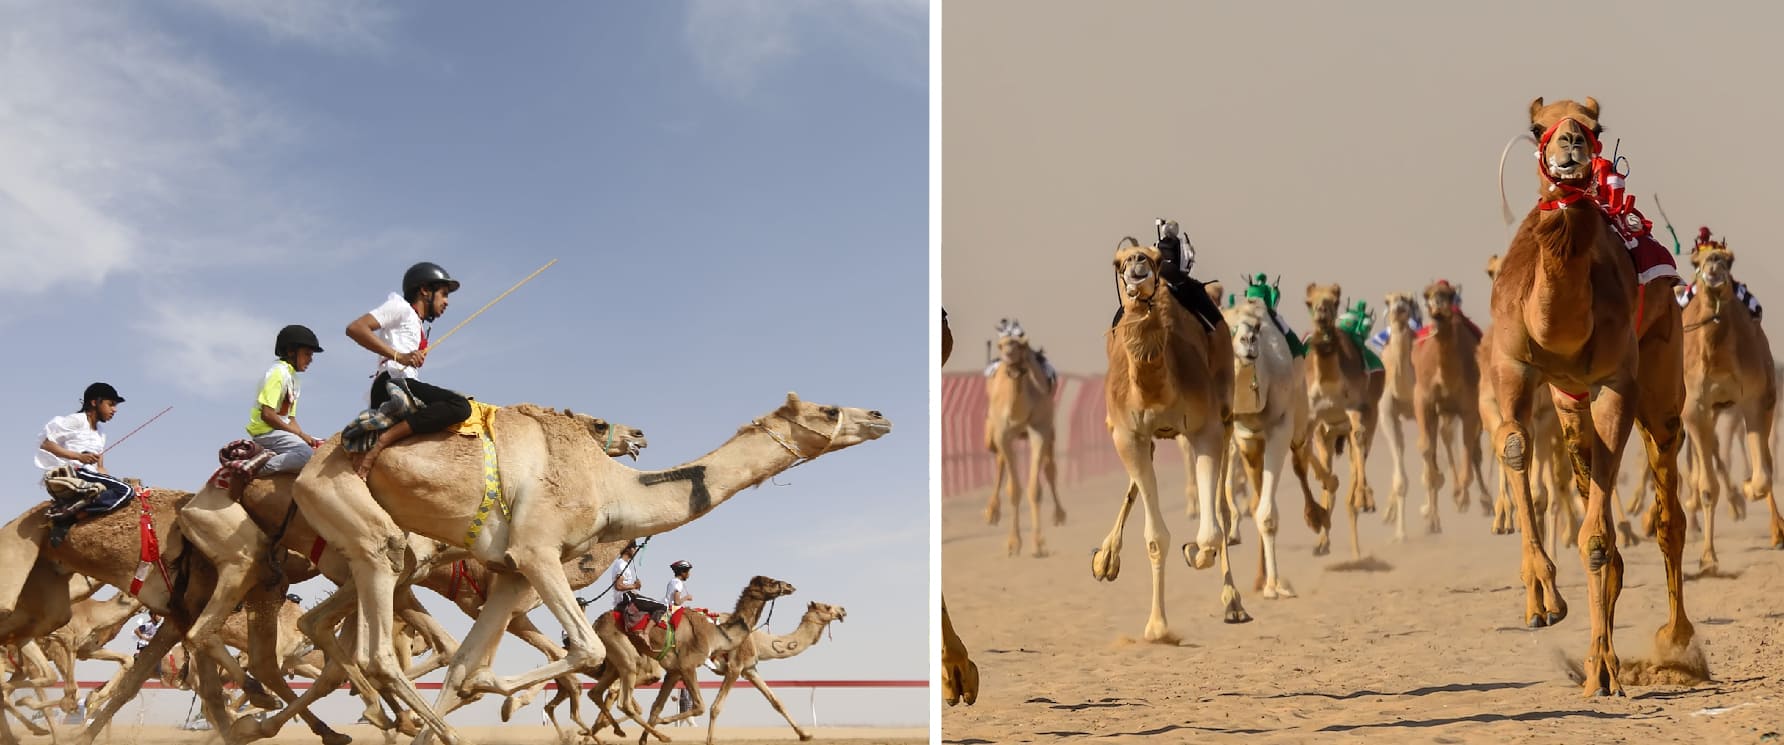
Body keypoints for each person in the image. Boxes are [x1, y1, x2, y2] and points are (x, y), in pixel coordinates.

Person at [343, 262, 474, 479]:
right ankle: (383, 441)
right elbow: (355, 328)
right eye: (443, 293)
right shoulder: (400, 307)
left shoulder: (418, 324)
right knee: (460, 405)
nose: (447, 301)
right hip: (392, 382)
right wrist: (399, 355)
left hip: (401, 382)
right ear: (424, 290)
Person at [37, 383, 138, 541]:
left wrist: (106, 475)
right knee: (126, 491)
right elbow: (46, 444)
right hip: (75, 471)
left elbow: (100, 464)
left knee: (124, 490)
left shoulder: (101, 433)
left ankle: (77, 514)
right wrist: (77, 456)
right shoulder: (76, 420)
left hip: (90, 474)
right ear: (94, 402)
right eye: (110, 404)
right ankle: (69, 517)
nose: (114, 410)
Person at [1110, 219, 1226, 332]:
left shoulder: (1147, 282)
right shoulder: (1187, 286)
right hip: (1174, 280)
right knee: (1218, 327)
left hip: (1157, 278)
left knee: (1119, 322)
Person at [244, 325, 325, 475]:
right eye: (307, 354)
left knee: (321, 449)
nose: (311, 359)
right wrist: (300, 436)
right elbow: (267, 415)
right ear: (290, 352)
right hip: (266, 432)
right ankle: (252, 471)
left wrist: (305, 435)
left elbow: (291, 419)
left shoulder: (294, 379)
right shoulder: (277, 373)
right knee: (305, 454)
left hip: (279, 431)